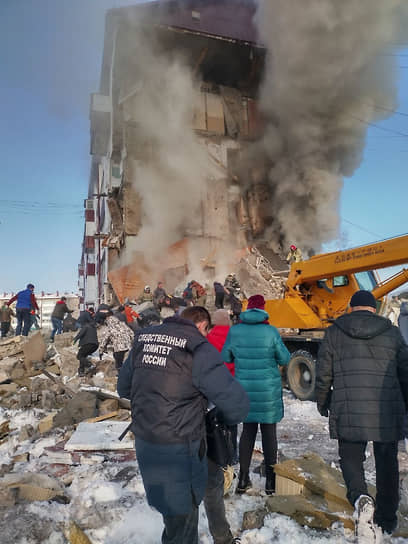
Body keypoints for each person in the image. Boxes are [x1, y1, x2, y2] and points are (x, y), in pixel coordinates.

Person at [117, 306, 249, 544]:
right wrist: (222, 420)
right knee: (182, 521)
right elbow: (237, 404)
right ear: (202, 325)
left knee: (209, 482)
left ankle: (222, 536)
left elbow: (124, 388)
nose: (207, 336)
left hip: (147, 439)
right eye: (207, 331)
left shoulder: (144, 338)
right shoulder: (197, 347)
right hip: (181, 447)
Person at [316, 290, 408, 540]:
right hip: (385, 409)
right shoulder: (392, 332)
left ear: (352, 307)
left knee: (350, 458)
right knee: (387, 462)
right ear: (373, 308)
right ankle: (387, 519)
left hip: (348, 407)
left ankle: (360, 497)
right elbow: (405, 372)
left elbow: (323, 373)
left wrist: (323, 402)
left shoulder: (334, 332)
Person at [222, 294, 290, 495]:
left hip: (244, 391)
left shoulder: (235, 331)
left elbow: (225, 356)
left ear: (247, 309)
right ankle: (271, 483)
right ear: (263, 309)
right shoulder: (270, 331)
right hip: (267, 393)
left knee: (247, 433)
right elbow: (285, 358)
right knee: (270, 435)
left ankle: (243, 480)